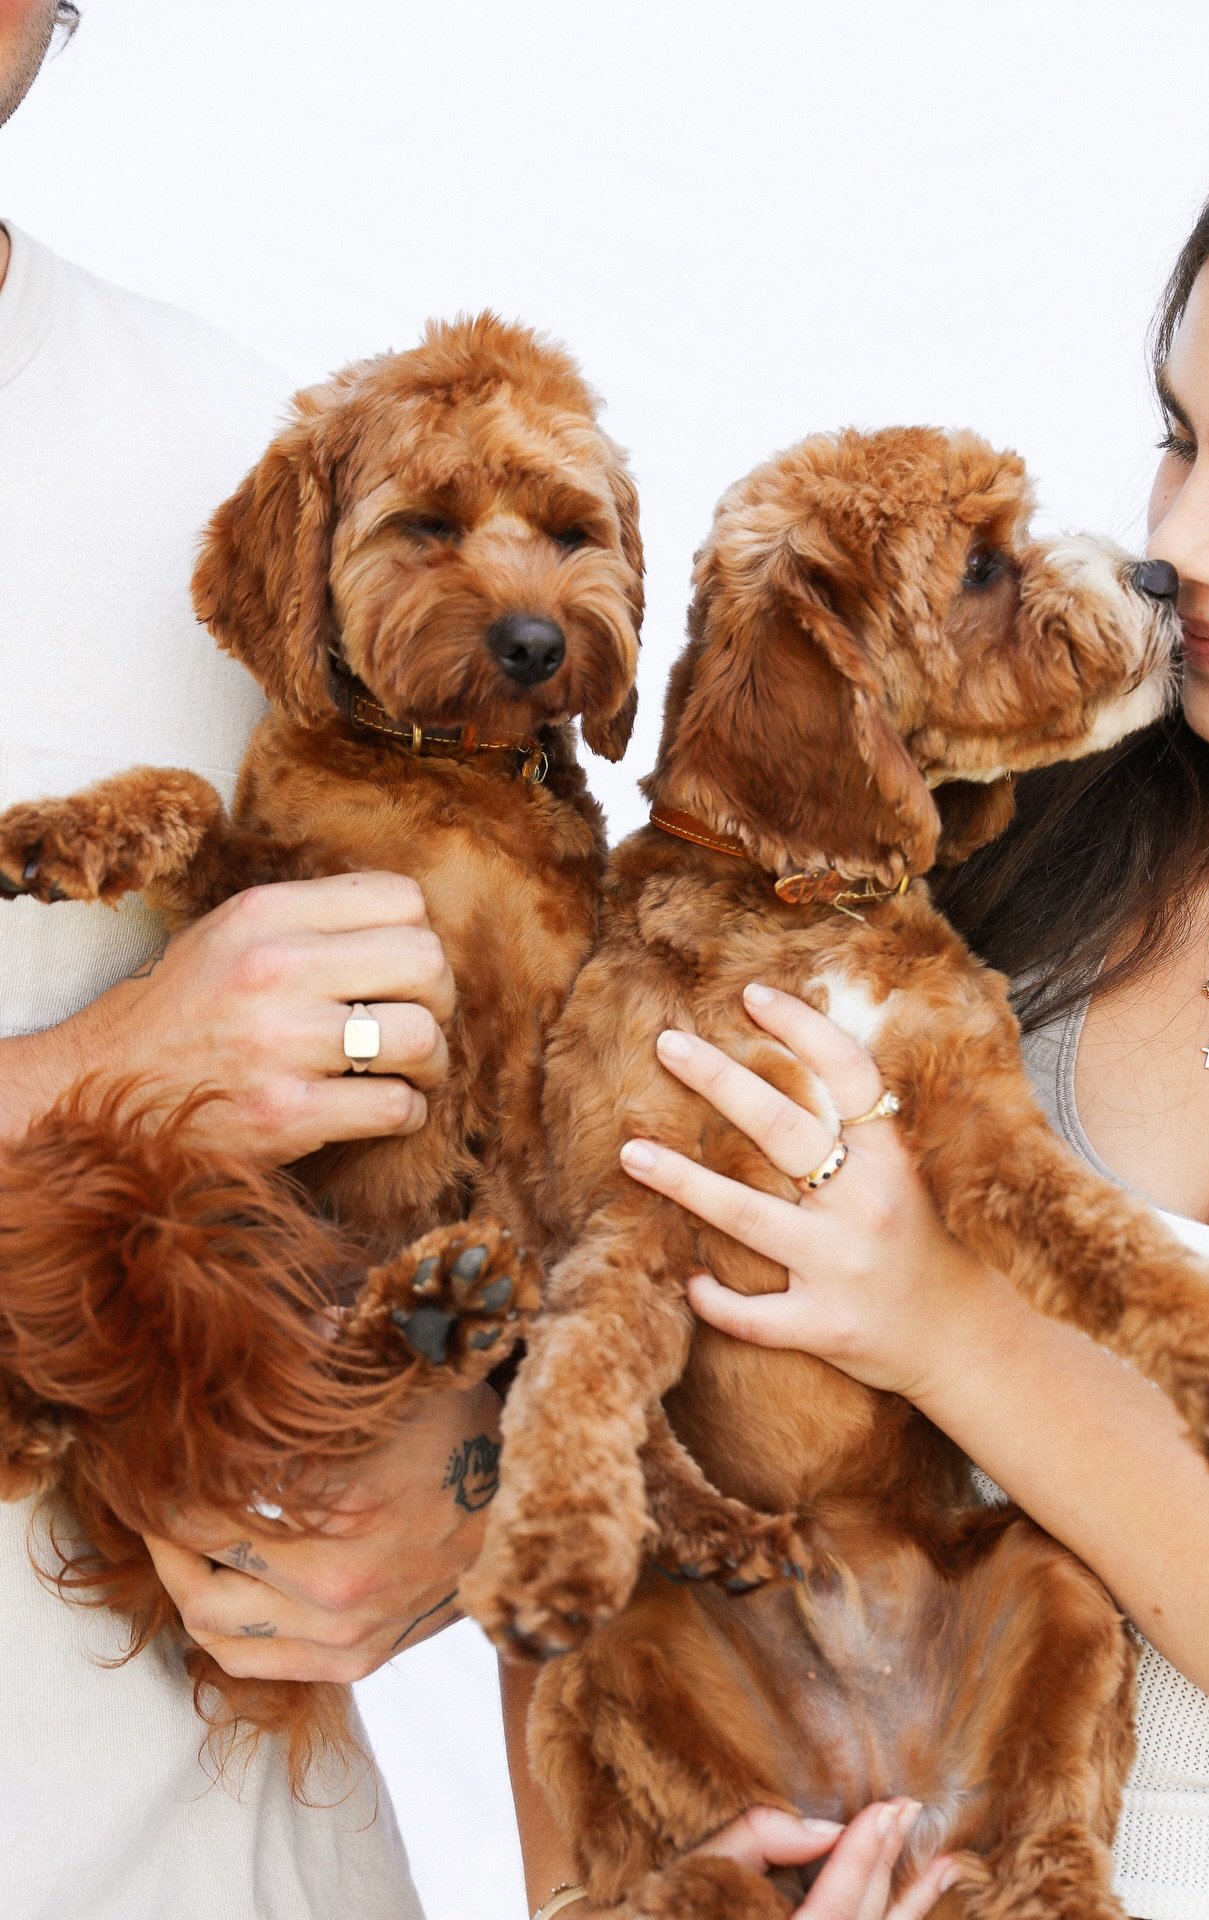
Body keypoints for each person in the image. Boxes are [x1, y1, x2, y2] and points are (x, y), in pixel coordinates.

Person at [0, 11, 956, 1917]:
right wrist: (106, 1077)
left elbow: (570, 1175)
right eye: (439, 529)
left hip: (229, 1859)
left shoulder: (218, 432)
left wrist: (460, 1475)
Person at [616, 63, 1209, 1920]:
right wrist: (639, 1880)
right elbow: (612, 1298)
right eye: (1180, 440)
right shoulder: (971, 839)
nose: (1182, 539)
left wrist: (957, 1331)